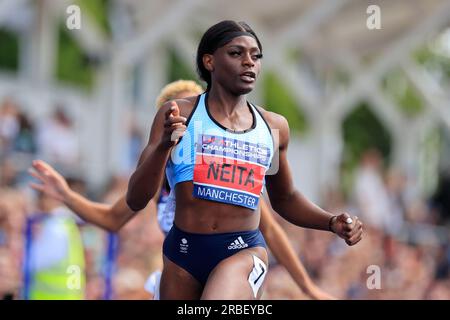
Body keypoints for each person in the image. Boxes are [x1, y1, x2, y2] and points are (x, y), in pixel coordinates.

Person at [29, 80, 335, 300]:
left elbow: (271, 231)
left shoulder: (223, 173)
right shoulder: (158, 176)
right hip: (183, 271)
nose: (196, 120)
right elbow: (112, 219)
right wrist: (67, 196)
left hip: (234, 271)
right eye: (187, 113)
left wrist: (308, 288)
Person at [126, 20, 363, 300]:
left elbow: (285, 198)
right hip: (183, 252)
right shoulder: (180, 114)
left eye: (256, 55)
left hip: (242, 250)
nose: (249, 62)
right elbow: (136, 199)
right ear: (209, 61)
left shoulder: (273, 127)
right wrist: (163, 147)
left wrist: (330, 221)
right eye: (237, 53)